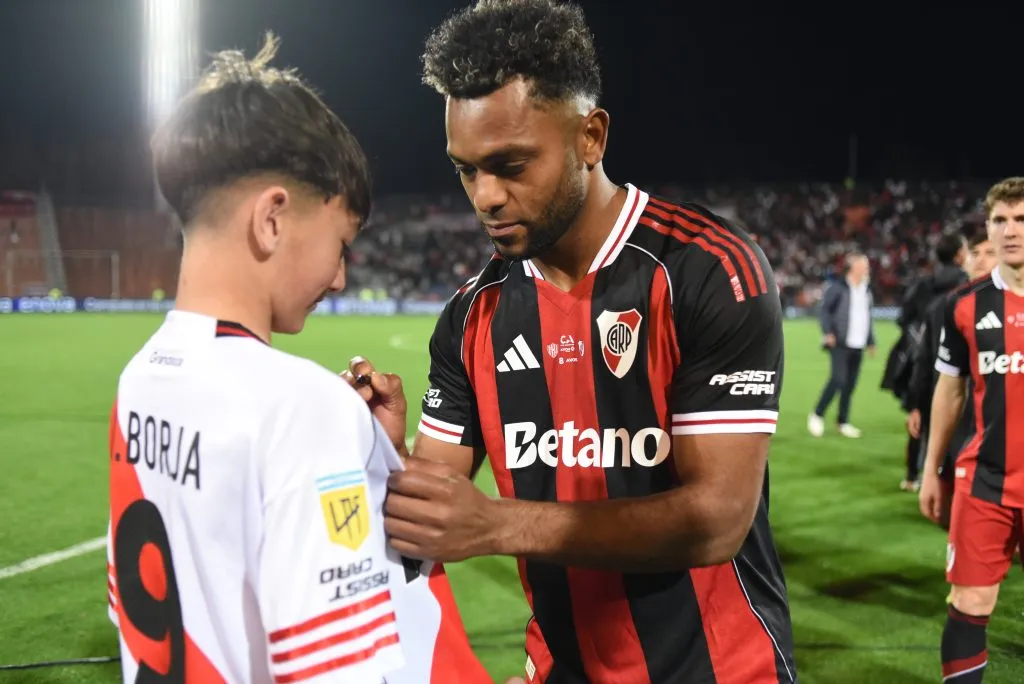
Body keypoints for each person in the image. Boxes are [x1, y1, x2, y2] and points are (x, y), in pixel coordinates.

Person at [344, 2, 796, 682]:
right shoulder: (472, 316)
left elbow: (716, 520)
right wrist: (388, 454)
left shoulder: (707, 271)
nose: (486, 197)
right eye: (466, 169)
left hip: (722, 670)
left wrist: (497, 526)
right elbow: (433, 512)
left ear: (591, 137)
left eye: (510, 164)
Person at [104, 34, 491, 684]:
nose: (340, 278)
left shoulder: (137, 381)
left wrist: (375, 457)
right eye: (339, 243)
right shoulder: (302, 407)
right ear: (273, 220)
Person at [920, 177, 1024, 683]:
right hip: (984, 481)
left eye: (1021, 219)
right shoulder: (963, 304)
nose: (1010, 231)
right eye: (1000, 220)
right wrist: (930, 470)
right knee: (969, 603)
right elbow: (949, 392)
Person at [900, 232, 970, 491]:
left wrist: (916, 341)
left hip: (924, 363)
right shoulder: (969, 289)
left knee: (921, 417)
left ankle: (911, 475)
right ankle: (949, 478)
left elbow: (904, 318)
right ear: (961, 255)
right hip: (958, 367)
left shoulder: (923, 285)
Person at [807, 252, 876, 439]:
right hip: (839, 341)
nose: (867, 268)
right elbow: (825, 311)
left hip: (858, 343)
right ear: (853, 266)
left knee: (850, 385)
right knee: (838, 379)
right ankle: (817, 414)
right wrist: (828, 332)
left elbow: (867, 317)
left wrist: (871, 341)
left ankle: (842, 422)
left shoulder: (866, 289)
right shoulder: (838, 287)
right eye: (864, 264)